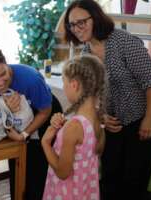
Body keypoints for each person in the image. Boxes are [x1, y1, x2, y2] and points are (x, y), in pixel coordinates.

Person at [63, 1, 151, 200]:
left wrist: (149, 118)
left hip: (144, 115)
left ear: (96, 18)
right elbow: (94, 93)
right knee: (110, 177)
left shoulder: (124, 42)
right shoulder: (85, 53)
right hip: (114, 122)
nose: (76, 29)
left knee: (134, 181)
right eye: (72, 25)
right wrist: (102, 117)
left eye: (81, 22)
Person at [0, 45, 62, 200]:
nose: (1, 82)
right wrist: (7, 110)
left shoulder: (30, 79)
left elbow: (45, 111)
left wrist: (24, 134)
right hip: (15, 120)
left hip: (43, 114)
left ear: (6, 64)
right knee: (17, 163)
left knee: (36, 169)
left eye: (3, 74)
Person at [42, 55, 106, 200]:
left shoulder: (74, 127)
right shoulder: (97, 117)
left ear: (74, 84)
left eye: (64, 82)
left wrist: (45, 143)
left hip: (66, 193)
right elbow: (91, 149)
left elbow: (63, 172)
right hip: (84, 192)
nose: (63, 87)